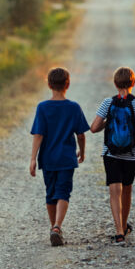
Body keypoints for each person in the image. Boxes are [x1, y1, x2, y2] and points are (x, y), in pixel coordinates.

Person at [90, 67, 135, 245]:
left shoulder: (108, 102)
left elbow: (93, 128)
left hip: (110, 154)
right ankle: (124, 225)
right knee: (127, 190)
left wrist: (109, 122)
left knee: (114, 192)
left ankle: (118, 232)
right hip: (131, 155)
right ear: (133, 83)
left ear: (115, 83)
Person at [29, 67, 90, 246]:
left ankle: (53, 227)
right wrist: (83, 152)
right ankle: (57, 226)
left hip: (47, 159)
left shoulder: (43, 107)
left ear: (49, 85)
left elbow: (38, 134)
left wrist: (33, 158)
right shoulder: (73, 107)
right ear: (68, 85)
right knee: (63, 192)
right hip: (66, 158)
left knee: (50, 193)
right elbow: (81, 134)